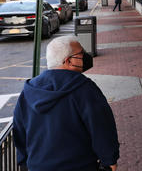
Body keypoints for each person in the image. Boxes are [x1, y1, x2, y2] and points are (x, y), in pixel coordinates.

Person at [13, 36, 119, 171]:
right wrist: (110, 159)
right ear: (68, 61)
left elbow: (19, 131)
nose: (85, 57)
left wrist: (24, 162)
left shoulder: (28, 91)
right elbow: (102, 127)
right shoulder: (85, 89)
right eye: (81, 54)